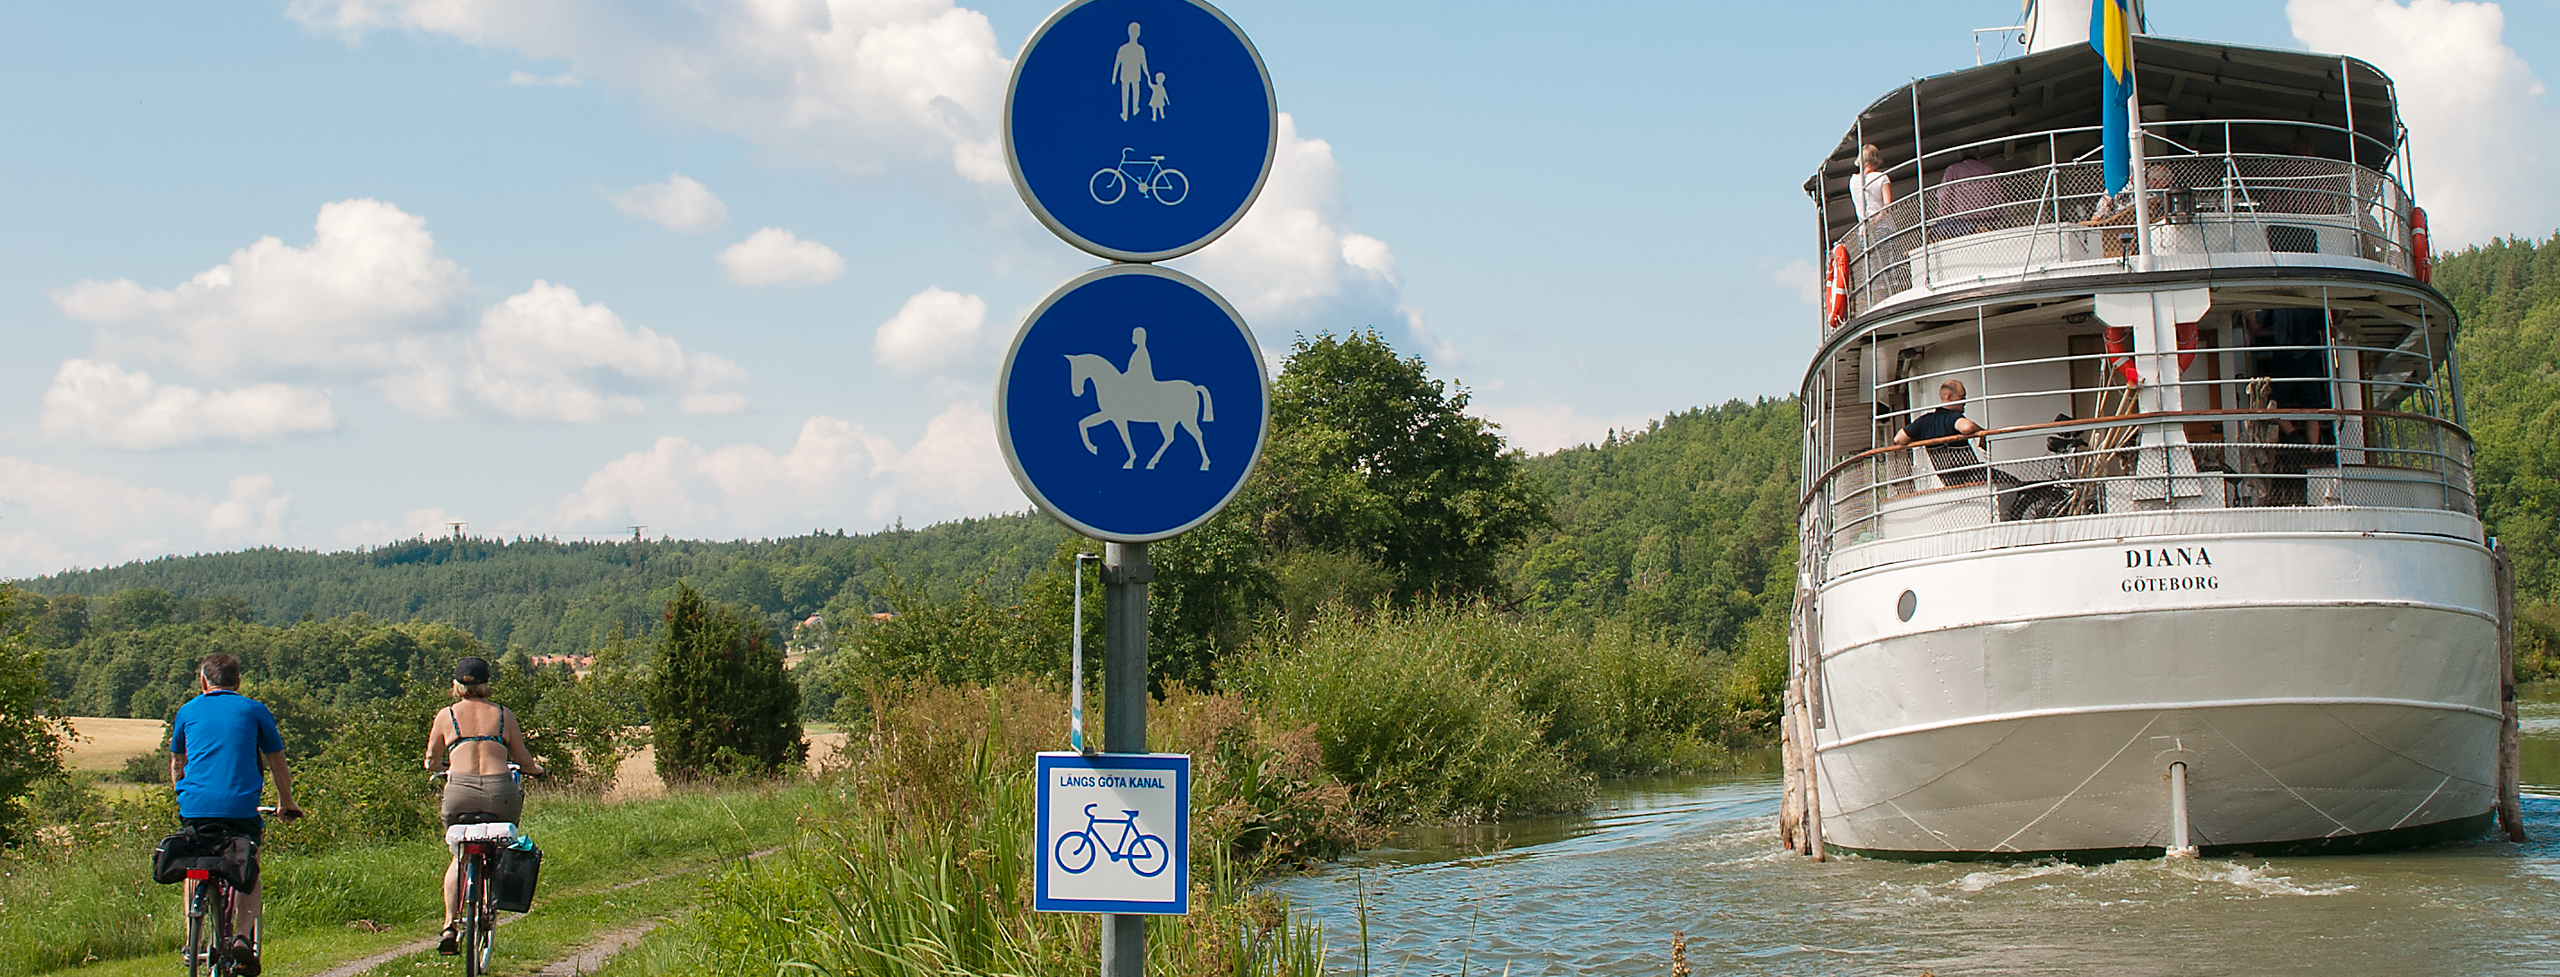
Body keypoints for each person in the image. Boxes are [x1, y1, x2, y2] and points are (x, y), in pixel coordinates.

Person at [170, 652, 303, 977]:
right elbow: (277, 762)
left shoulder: (187, 711)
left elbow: (177, 763)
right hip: (240, 810)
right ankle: (243, 937)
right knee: (249, 864)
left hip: (194, 808)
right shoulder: (254, 710)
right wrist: (286, 802)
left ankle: (192, 940)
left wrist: (182, 799)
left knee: (195, 861)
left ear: (203, 681)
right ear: (238, 682)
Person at [424, 656, 545, 955]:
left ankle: (449, 924)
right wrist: (537, 771)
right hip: (498, 792)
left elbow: (430, 760)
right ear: (487, 684)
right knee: (502, 843)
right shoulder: (503, 715)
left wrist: (441, 766)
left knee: (459, 855)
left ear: (456, 684)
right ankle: (493, 893)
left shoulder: (446, 715)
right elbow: (524, 760)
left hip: (460, 793)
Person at [1891, 378, 1990, 483]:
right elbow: (1967, 427)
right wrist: (1981, 432)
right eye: (1962, 397)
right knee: (2002, 477)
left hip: (1947, 479)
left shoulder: (1924, 421)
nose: (1964, 402)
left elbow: (1899, 439)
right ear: (1949, 397)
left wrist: (1921, 437)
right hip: (1973, 475)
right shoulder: (1952, 417)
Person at [1934, 152, 2001, 237]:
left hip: (1962, 221)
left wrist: (1944, 214)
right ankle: (1981, 228)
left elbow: (1943, 194)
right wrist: (1997, 218)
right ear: (1977, 154)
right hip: (1987, 220)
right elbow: (1997, 197)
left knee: (1932, 233)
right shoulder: (1988, 169)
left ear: (1960, 155)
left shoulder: (1953, 169)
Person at [1112, 23, 1149, 121]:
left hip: (1132, 75)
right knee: (1129, 93)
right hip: (1128, 75)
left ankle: (1131, 111)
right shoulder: (1127, 48)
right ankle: (1129, 112)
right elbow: (1117, 63)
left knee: (1132, 93)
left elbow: (1144, 64)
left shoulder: (1138, 49)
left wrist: (1147, 75)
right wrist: (1114, 77)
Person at [1850, 144, 1894, 224]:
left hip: (1864, 228)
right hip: (1883, 225)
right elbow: (1888, 205)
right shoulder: (1881, 178)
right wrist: (1875, 221)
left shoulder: (1853, 180)